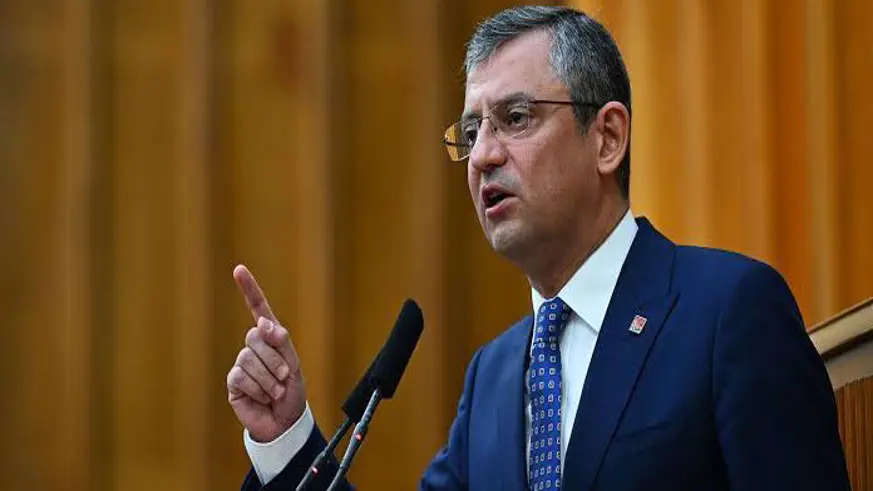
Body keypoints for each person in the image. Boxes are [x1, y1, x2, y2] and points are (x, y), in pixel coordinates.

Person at [226, 6, 850, 490]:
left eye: (516, 118)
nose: (483, 155)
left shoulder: (728, 312)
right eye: (472, 130)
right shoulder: (493, 377)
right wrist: (287, 437)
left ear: (607, 138)